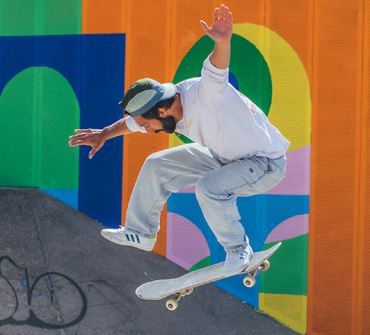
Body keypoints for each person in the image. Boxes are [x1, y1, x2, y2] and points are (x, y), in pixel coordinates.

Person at [68, 4, 289, 274]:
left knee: (209, 188)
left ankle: (238, 250)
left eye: (147, 125)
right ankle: (142, 232)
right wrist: (104, 133)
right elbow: (130, 123)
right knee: (156, 164)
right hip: (226, 159)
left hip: (265, 163)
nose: (147, 130)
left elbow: (217, 70)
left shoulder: (204, 94)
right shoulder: (166, 107)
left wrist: (222, 42)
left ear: (162, 110)